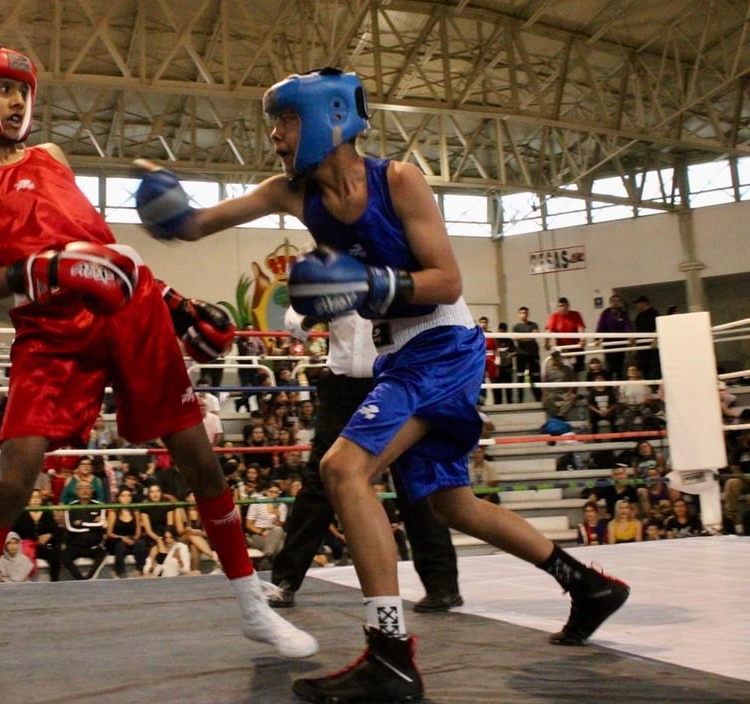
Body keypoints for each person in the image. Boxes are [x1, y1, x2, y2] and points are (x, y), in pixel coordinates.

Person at [134, 67, 629, 701]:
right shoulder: (291, 193)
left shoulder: (398, 180)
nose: (276, 138)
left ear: (324, 118)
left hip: (443, 344)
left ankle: (389, 654)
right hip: (402, 356)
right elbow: (198, 224)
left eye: (284, 122)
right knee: (453, 505)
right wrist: (164, 205)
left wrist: (371, 285)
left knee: (343, 469)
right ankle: (587, 585)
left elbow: (447, 281)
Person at [0, 46, 316, 704]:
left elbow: (104, 246)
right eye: (3, 88)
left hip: (126, 312)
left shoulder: (52, 159)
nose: (17, 102)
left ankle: (252, 606)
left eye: (22, 89)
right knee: (12, 480)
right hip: (48, 331)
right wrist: (44, 271)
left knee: (202, 463)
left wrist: (176, 304)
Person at [267, 309, 464, 613]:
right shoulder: (329, 268)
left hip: (397, 381)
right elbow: (294, 322)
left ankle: (442, 585)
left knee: (414, 478)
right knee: (320, 481)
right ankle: (285, 580)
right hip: (342, 386)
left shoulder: (398, 267)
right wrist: (314, 313)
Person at [594, 294, 634, 380]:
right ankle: (610, 390)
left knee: (620, 369)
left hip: (621, 346)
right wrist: (597, 339)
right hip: (609, 345)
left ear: (620, 303)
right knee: (610, 369)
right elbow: (601, 326)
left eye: (617, 301)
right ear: (610, 302)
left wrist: (630, 335)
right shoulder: (605, 313)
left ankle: (620, 389)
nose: (615, 303)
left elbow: (627, 326)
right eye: (613, 301)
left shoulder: (623, 314)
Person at [545, 297, 587, 372]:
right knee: (564, 373)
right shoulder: (554, 316)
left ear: (568, 306)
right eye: (560, 306)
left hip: (576, 349)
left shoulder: (575, 314)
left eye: (564, 305)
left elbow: (580, 328)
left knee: (578, 373)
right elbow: (549, 330)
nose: (563, 308)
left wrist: (582, 340)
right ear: (558, 307)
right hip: (563, 350)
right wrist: (546, 343)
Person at [512, 306, 542, 402]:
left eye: (525, 313)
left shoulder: (533, 325)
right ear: (518, 315)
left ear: (528, 314)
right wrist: (528, 337)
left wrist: (523, 337)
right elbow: (516, 338)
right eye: (521, 313)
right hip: (521, 354)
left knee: (535, 377)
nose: (523, 315)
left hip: (533, 354)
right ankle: (520, 401)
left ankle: (539, 399)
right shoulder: (516, 327)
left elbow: (534, 336)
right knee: (520, 377)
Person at [632, 295, 661, 384]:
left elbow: (658, 326)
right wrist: (633, 337)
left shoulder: (653, 313)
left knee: (654, 367)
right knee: (643, 367)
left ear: (643, 303)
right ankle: (648, 387)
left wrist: (655, 339)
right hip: (642, 346)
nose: (637, 306)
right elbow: (636, 329)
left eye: (638, 303)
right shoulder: (639, 315)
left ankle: (655, 388)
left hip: (651, 346)